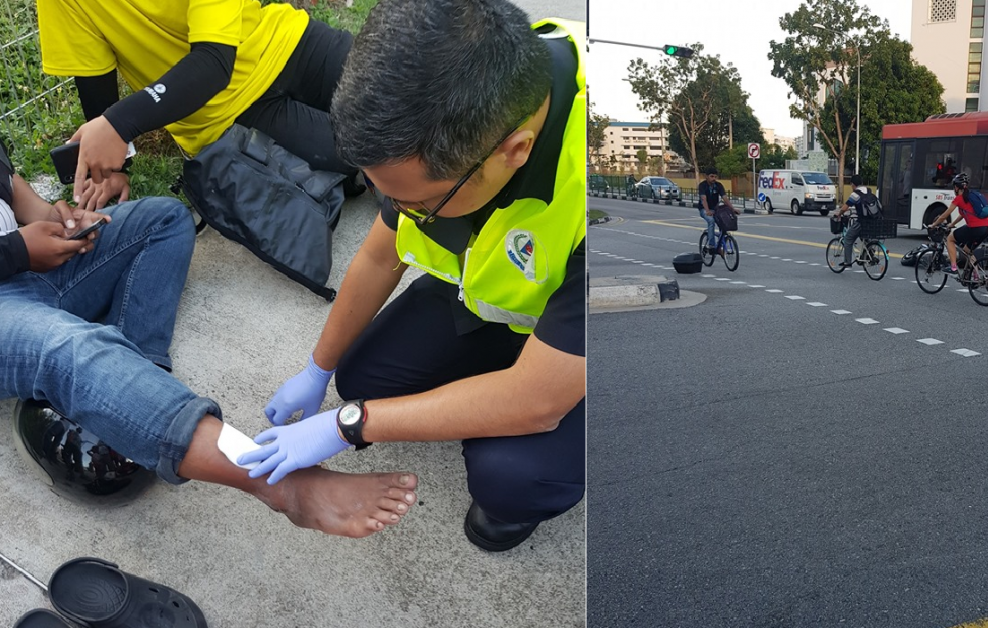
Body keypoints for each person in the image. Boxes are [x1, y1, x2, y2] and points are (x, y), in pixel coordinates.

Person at [239, 0, 586, 553]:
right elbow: (381, 256)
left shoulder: (585, 197)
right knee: (362, 377)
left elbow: (538, 401)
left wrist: (347, 426)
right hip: (496, 303)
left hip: (583, 350)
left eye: (415, 203)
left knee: (511, 473)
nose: (397, 211)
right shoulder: (450, 110)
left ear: (514, 152)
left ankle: (525, 492)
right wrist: (317, 368)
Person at [0, 139, 416, 537]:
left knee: (165, 220)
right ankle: (281, 486)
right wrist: (17, 251)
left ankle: (132, 383)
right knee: (64, 349)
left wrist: (47, 218)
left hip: (28, 264)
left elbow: (8, 182)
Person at [36, 0, 365, 211]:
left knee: (405, 93)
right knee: (373, 150)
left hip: (290, 42)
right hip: (227, 116)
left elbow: (213, 63)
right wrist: (111, 170)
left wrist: (118, 124)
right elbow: (96, 87)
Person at [927, 172, 988, 276]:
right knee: (967, 250)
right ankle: (977, 276)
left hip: (975, 228)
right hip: (986, 228)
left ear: (956, 187)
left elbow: (944, 215)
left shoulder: (959, 199)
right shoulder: (970, 197)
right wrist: (952, 224)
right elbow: (963, 214)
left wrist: (933, 225)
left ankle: (953, 268)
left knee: (950, 239)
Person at [833, 173, 874, 268]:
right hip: (872, 220)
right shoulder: (868, 190)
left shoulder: (855, 194)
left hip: (862, 221)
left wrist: (839, 214)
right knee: (864, 237)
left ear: (852, 184)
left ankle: (847, 262)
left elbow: (845, 207)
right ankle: (870, 255)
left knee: (848, 238)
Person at [698, 167, 738, 253]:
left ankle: (720, 246)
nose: (714, 179)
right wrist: (707, 211)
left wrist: (733, 209)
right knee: (711, 221)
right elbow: (703, 199)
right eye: (712, 176)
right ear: (706, 176)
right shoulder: (702, 186)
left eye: (715, 177)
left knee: (724, 221)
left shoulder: (718, 185)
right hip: (704, 209)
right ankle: (712, 246)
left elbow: (725, 198)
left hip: (716, 209)